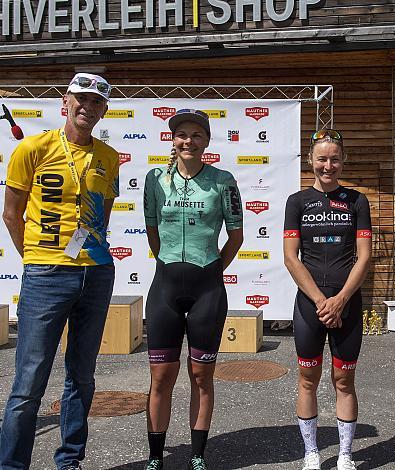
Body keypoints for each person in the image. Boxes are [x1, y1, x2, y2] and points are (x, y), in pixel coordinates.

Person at [0, 73, 119, 470]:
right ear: (65, 102)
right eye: (81, 98)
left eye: (97, 102)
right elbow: (11, 212)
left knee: (82, 377)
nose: (88, 106)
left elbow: (101, 216)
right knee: (29, 383)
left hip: (97, 274)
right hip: (47, 275)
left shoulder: (108, 156)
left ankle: (69, 461)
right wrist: (34, 258)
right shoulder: (32, 148)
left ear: (104, 110)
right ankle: (13, 465)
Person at [142, 109, 244, 470]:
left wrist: (214, 271)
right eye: (181, 135)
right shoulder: (155, 179)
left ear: (207, 141)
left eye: (196, 135)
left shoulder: (223, 180)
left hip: (208, 288)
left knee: (201, 375)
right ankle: (156, 456)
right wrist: (169, 262)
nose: (188, 141)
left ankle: (198, 455)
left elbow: (236, 235)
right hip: (165, 284)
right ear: (173, 140)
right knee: (161, 376)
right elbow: (152, 231)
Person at [283, 129, 372, 470]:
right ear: (311, 160)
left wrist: (340, 300)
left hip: (347, 303)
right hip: (310, 304)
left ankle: (346, 455)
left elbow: (363, 257)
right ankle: (311, 453)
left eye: (335, 158)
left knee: (344, 380)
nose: (328, 165)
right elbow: (292, 257)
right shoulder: (298, 202)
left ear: (343, 161)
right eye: (322, 158)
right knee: (307, 379)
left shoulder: (357, 201)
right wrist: (323, 301)